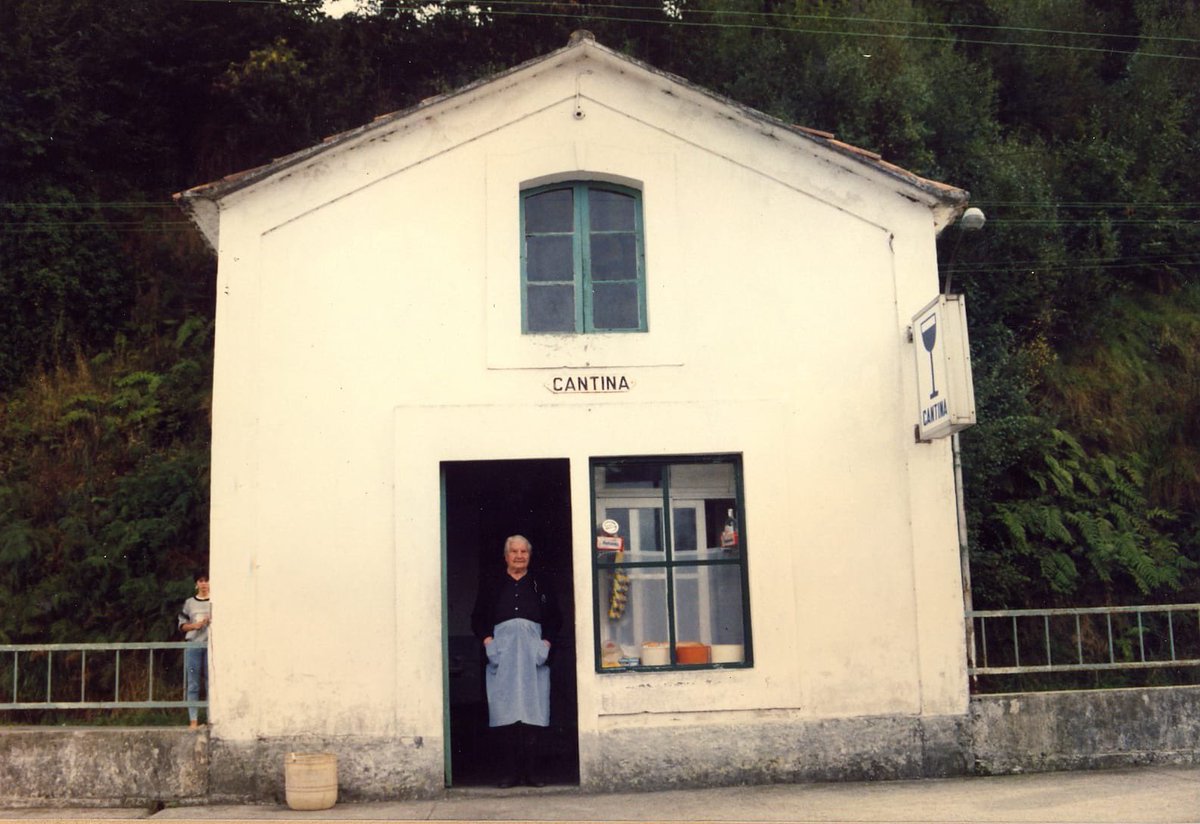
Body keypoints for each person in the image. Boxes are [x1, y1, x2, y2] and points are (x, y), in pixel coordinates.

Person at [471, 535, 562, 788]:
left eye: (524, 552)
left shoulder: (539, 583)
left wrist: (545, 644)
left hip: (533, 653)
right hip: (503, 653)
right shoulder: (493, 583)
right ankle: (510, 773)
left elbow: (555, 618)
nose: (519, 556)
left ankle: (532, 773)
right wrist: (489, 642)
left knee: (533, 711)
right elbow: (477, 618)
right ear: (506, 556)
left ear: (529, 556)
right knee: (505, 712)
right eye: (514, 551)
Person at [178, 573, 211, 729]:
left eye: (206, 581)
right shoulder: (189, 603)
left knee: (210, 684)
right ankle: (193, 721)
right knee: (193, 683)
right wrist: (194, 626)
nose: (204, 584)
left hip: (211, 646)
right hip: (194, 645)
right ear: (196, 584)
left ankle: (211, 719)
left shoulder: (216, 601)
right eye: (201, 581)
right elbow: (182, 625)